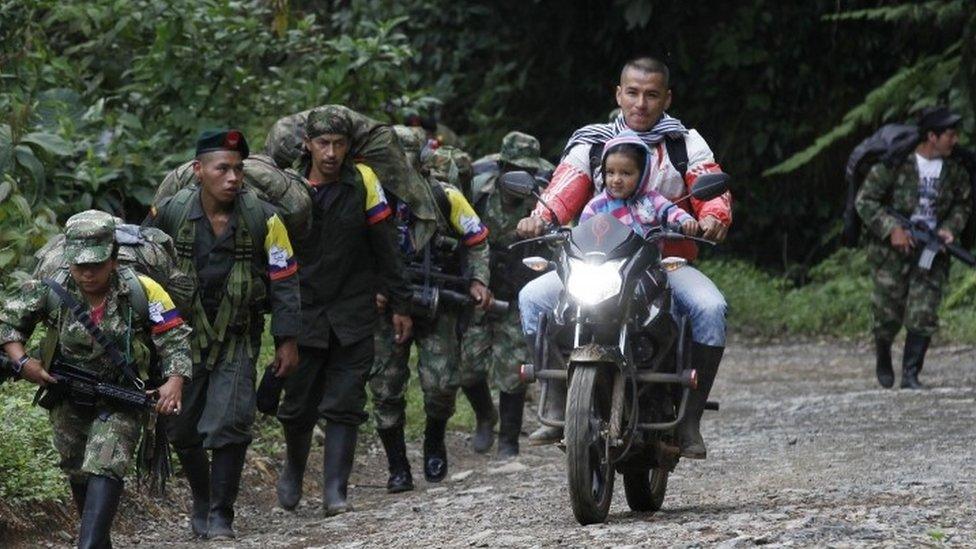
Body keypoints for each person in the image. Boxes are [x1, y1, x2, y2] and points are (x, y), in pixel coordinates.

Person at [516, 56, 731, 459]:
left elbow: (709, 184)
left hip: (665, 266)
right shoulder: (593, 143)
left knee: (710, 307)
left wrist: (714, 217)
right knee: (531, 298)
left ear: (666, 98)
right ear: (619, 94)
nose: (641, 103)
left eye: (652, 95)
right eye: (632, 93)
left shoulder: (685, 143)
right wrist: (538, 218)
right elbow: (564, 187)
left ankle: (689, 421)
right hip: (595, 265)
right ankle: (557, 397)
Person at [0, 210, 191, 548]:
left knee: (106, 462)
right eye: (79, 266)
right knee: (76, 468)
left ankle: (86, 545)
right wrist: (23, 362)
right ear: (69, 261)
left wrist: (174, 380)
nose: (87, 273)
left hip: (120, 397)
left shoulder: (141, 290)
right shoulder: (51, 289)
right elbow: (9, 324)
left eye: (97, 265)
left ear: (114, 260)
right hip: (67, 394)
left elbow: (173, 337)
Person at [148, 129, 301, 539]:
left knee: (230, 422)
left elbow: (284, 278)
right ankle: (201, 498)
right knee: (181, 428)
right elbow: (143, 272)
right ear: (199, 171)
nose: (233, 178)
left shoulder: (265, 218)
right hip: (181, 339)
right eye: (223, 169)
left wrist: (287, 339)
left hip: (236, 336)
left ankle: (221, 514)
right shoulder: (170, 213)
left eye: (238, 169)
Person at [275, 106, 413, 516]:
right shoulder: (290, 187)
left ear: (349, 146)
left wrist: (400, 303)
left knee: (346, 402)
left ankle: (335, 491)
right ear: (308, 145)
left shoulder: (363, 182)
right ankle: (294, 469)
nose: (331, 153)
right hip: (303, 310)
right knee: (298, 405)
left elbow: (386, 244)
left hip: (353, 307)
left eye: (338, 144)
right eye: (323, 144)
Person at [370, 137, 493, 492]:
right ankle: (397, 467)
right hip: (386, 305)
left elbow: (477, 241)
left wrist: (478, 280)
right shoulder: (370, 198)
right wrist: (373, 289)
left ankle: (434, 440)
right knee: (385, 386)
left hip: (438, 301)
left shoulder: (446, 196)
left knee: (441, 385)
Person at [855, 106, 970, 390]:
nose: (954, 141)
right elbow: (865, 200)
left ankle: (910, 374)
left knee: (924, 311)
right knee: (887, 313)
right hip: (892, 252)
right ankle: (883, 354)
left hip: (932, 249)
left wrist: (949, 229)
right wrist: (891, 229)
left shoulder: (955, 170)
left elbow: (963, 204)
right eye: (949, 135)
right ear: (932, 136)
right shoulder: (895, 163)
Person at [463, 131, 554, 458]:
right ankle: (486, 415)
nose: (523, 177)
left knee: (514, 368)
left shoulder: (545, 198)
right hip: (480, 287)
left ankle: (509, 442)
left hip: (521, 289)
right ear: (503, 167)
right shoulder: (479, 193)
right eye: (516, 169)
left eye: (529, 171)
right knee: (467, 365)